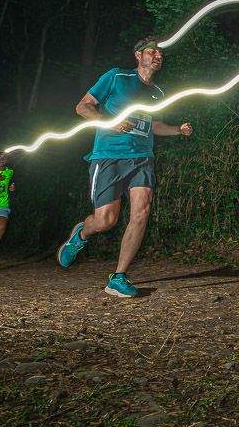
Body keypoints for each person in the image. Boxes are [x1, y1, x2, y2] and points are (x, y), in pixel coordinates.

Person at [56, 36, 192, 297]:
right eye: (151, 51)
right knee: (106, 220)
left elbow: (153, 125)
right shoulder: (117, 77)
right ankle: (81, 235)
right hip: (109, 155)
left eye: (160, 52)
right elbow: (83, 107)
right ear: (138, 55)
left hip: (142, 157)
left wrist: (178, 129)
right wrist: (109, 122)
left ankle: (118, 277)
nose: (157, 55)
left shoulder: (157, 93)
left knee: (142, 211)